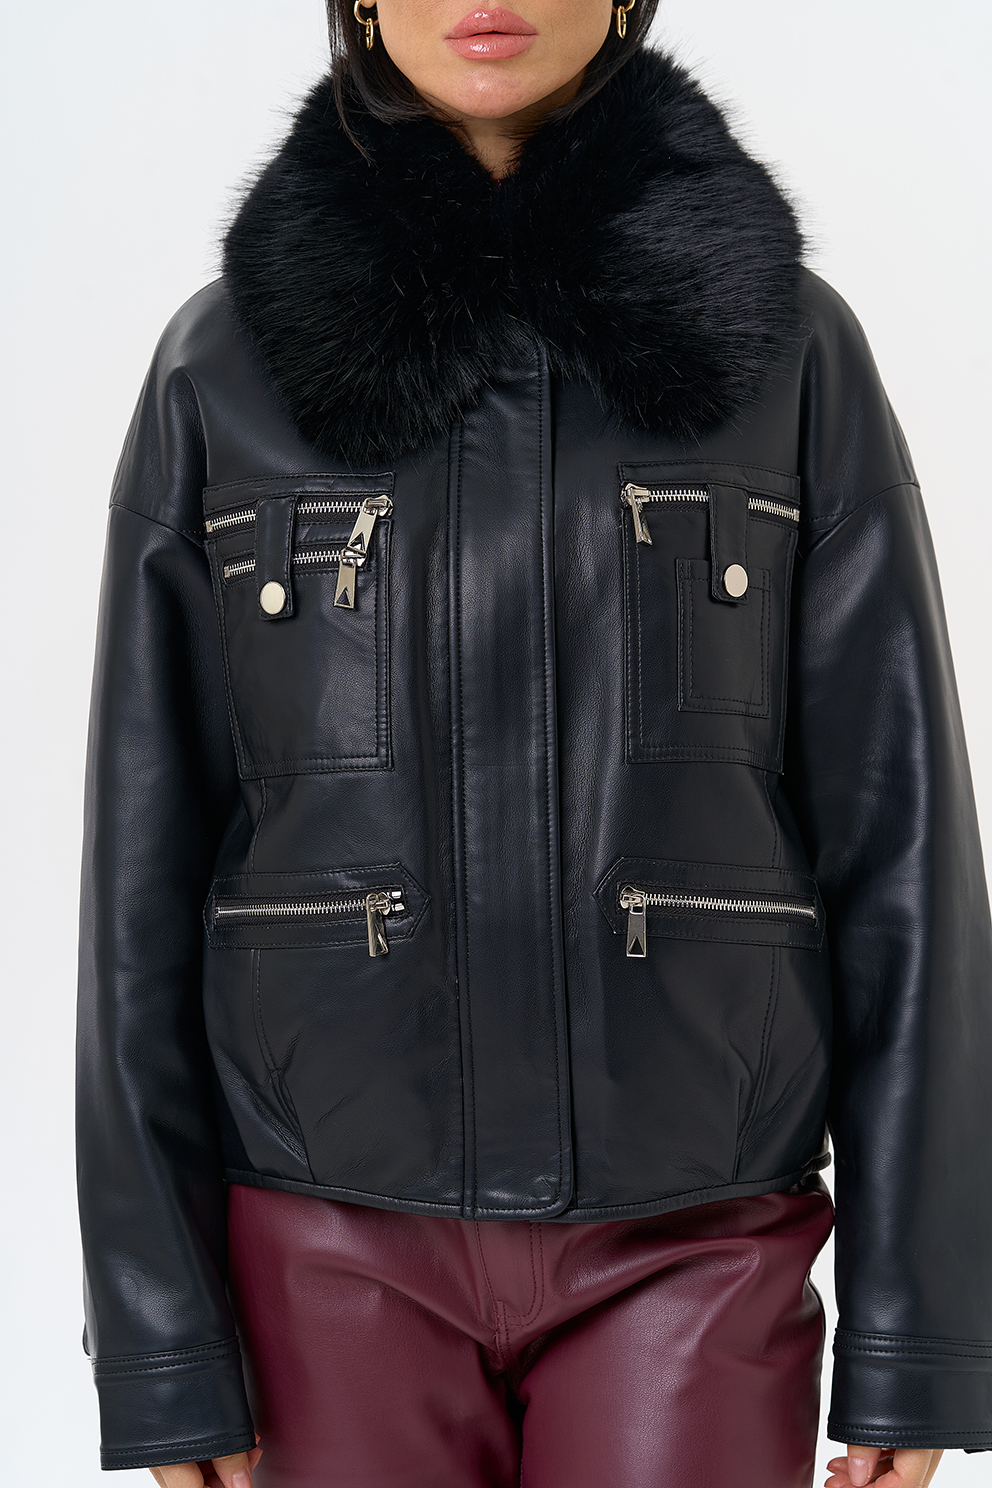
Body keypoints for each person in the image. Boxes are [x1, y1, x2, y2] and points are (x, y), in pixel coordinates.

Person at [75, 3, 992, 1487]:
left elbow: (905, 850)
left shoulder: (788, 349)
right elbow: (138, 877)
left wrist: (918, 1336)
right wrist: (164, 1343)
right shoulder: (224, 367)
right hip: (320, 1242)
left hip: (698, 1240)